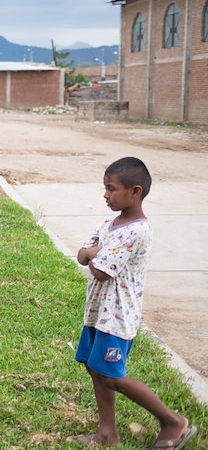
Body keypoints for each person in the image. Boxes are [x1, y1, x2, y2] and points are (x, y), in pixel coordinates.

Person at [73, 157, 196, 449]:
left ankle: (173, 422)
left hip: (117, 317)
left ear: (135, 191)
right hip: (97, 313)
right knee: (95, 368)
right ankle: (107, 434)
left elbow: (101, 271)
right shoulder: (109, 223)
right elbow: (82, 254)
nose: (105, 195)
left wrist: (93, 254)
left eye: (111, 189)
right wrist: (93, 253)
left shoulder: (137, 231)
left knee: (112, 375)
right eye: (105, 188)